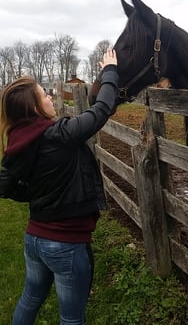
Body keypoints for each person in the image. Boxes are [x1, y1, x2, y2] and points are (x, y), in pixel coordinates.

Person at [0, 49, 118, 325]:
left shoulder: (18, 138)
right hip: (65, 243)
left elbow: (6, 184)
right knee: (71, 318)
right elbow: (101, 110)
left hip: (35, 239)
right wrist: (110, 70)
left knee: (29, 299)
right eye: (45, 94)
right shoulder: (59, 135)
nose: (51, 97)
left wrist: (33, 193)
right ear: (34, 107)